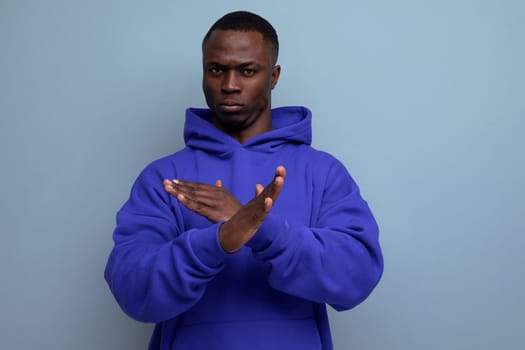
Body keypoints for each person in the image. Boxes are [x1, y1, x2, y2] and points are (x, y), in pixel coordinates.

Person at [104, 10, 383, 350]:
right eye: (216, 69)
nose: (230, 85)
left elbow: (357, 276)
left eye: (247, 71)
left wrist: (263, 230)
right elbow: (133, 290)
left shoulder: (321, 172)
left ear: (274, 76)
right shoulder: (164, 178)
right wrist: (218, 241)